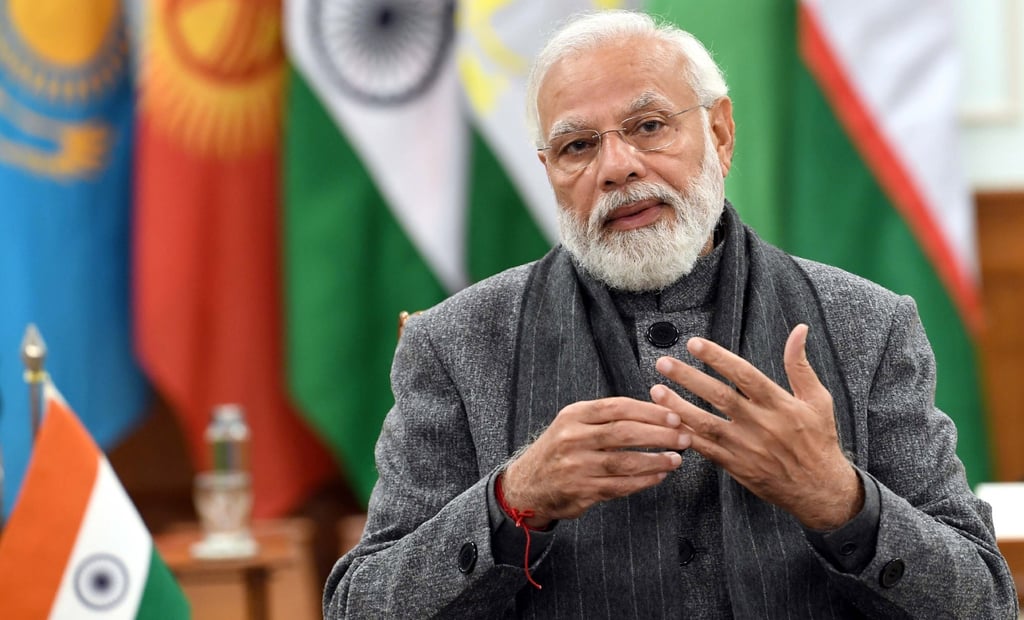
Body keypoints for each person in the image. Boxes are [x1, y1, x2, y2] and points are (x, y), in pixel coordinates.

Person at [323, 10, 1017, 618]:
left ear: (719, 133)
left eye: (649, 126)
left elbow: (985, 602)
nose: (618, 166)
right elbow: (360, 606)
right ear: (549, 172)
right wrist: (512, 500)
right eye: (577, 146)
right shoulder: (456, 344)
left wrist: (839, 500)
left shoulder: (868, 325)